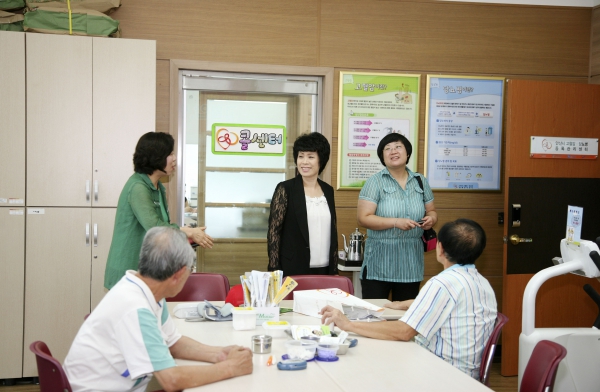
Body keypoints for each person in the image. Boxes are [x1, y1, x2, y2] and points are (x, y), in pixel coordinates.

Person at [64, 227, 253, 391]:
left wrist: (220, 354)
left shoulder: (149, 291)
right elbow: (170, 380)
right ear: (178, 274)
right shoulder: (135, 308)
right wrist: (230, 368)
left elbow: (173, 343)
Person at [320, 219, 498, 379]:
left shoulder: (442, 283)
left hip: (441, 373)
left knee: (365, 359)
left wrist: (348, 324)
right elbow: (458, 307)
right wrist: (411, 304)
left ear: (440, 248)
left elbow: (404, 332)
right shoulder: (482, 283)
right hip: (467, 374)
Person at [104, 132, 213, 290]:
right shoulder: (138, 187)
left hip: (146, 271)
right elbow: (155, 227)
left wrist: (187, 237)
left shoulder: (158, 186)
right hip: (127, 270)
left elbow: (163, 227)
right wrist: (188, 232)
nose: (174, 158)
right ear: (155, 157)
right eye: (170, 154)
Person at [357, 132, 437, 301]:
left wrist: (431, 220)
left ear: (407, 153)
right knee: (375, 315)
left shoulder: (420, 181)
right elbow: (363, 218)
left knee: (405, 317)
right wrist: (395, 222)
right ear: (382, 157)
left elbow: (431, 211)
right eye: (388, 149)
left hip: (410, 262)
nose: (393, 151)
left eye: (398, 147)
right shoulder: (375, 182)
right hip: (379, 262)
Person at [267, 132, 338, 276]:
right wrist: (274, 269)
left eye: (310, 157)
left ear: (321, 160)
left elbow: (333, 232)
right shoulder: (285, 189)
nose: (304, 162)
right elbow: (274, 232)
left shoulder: (328, 190)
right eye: (301, 156)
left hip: (324, 269)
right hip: (293, 268)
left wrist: (334, 269)